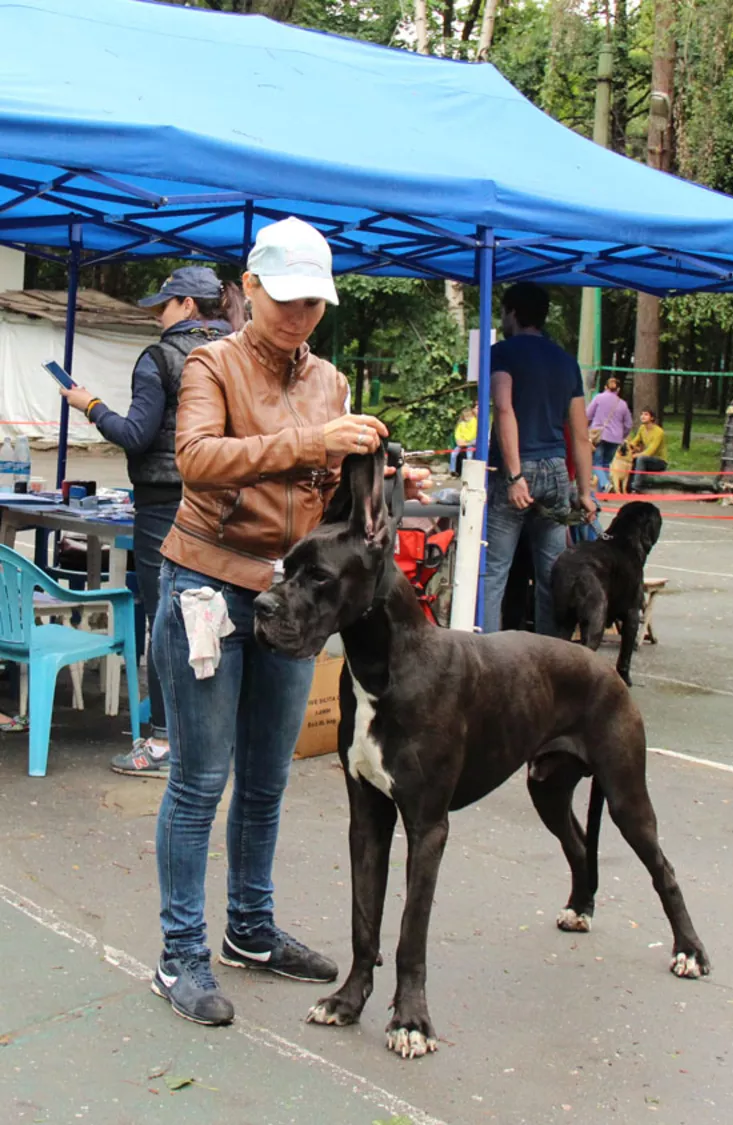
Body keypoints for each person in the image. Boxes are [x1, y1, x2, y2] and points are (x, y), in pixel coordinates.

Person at [148, 216, 429, 1027]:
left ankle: (250, 928)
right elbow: (194, 456)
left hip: (292, 599)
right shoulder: (211, 361)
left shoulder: (329, 380)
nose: (301, 314)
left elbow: (329, 495)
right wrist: (308, 437)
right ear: (252, 286)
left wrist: (375, 466)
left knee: (269, 777)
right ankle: (180, 953)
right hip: (206, 584)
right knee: (200, 780)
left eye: (316, 302)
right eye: (289, 298)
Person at [62, 267, 245, 778]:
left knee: (167, 620)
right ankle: (212, 737)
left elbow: (136, 435)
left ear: (188, 306)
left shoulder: (160, 357)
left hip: (164, 504)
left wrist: (90, 405)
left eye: (162, 306)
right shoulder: (240, 353)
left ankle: (164, 742)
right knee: (216, 617)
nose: (156, 316)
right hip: (227, 501)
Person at [483, 283, 595, 636]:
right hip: (557, 470)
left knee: (494, 570)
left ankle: (485, 657)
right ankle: (550, 660)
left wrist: (515, 475)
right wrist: (585, 492)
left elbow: (503, 407)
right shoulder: (566, 362)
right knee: (551, 574)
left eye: (503, 312)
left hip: (519, 471)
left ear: (513, 313)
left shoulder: (502, 353)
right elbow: (580, 433)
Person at [586, 376, 632, 489]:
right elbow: (628, 424)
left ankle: (605, 484)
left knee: (596, 462)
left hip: (599, 436)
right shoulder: (623, 404)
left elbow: (588, 415)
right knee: (606, 464)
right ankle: (603, 491)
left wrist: (587, 430)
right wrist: (622, 436)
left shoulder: (598, 398)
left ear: (605, 387)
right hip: (615, 439)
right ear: (618, 390)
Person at [629, 408, 668, 493]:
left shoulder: (659, 432)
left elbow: (650, 451)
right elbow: (634, 441)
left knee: (640, 459)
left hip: (659, 461)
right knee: (631, 459)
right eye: (642, 414)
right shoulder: (642, 428)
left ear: (652, 418)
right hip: (647, 459)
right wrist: (629, 447)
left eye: (646, 414)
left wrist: (636, 455)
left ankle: (636, 488)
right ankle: (627, 487)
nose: (642, 416)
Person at [449, 404, 478, 475]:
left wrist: (466, 441)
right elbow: (457, 432)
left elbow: (473, 433)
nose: (467, 418)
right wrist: (459, 440)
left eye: (468, 417)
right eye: (465, 417)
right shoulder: (461, 423)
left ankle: (469, 471)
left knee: (469, 456)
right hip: (461, 442)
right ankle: (452, 470)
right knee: (453, 454)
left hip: (470, 442)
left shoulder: (474, 422)